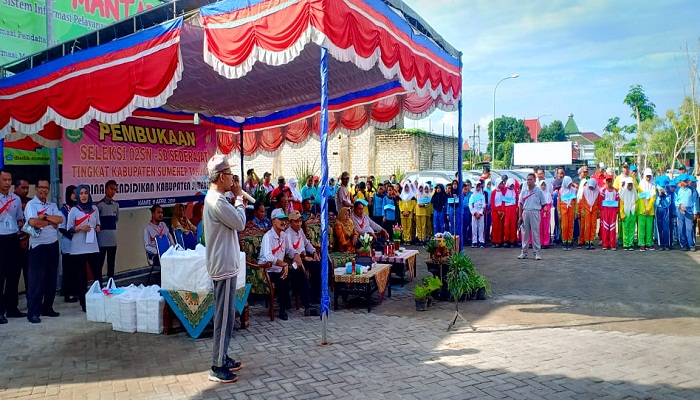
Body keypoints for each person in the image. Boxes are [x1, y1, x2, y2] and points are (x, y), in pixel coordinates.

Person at [203, 154, 246, 383]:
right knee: (222, 316)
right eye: (230, 174)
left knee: (229, 315)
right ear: (221, 177)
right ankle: (217, 365)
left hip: (226, 264)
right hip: (223, 265)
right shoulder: (217, 201)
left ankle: (223, 355)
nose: (233, 179)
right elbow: (240, 223)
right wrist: (239, 200)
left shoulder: (217, 198)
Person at [259, 209, 317, 320]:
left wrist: (296, 255)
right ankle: (283, 310)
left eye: (284, 219)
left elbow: (289, 249)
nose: (283, 222)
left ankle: (308, 306)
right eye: (280, 219)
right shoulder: (268, 236)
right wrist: (284, 264)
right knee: (283, 278)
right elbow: (268, 256)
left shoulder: (283, 236)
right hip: (267, 270)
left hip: (280, 268)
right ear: (273, 221)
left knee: (299, 274)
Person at [24, 179, 63, 323]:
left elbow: (60, 219)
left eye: (46, 188)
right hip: (38, 247)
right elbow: (33, 222)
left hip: (52, 244)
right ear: (36, 189)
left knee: (50, 279)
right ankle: (33, 312)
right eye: (41, 187)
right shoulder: (31, 204)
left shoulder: (52, 205)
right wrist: (50, 222)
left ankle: (48, 308)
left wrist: (45, 218)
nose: (43, 190)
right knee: (36, 281)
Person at [67, 185, 101, 311]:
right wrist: (80, 228)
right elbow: (68, 229)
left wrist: (97, 227)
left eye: (86, 193)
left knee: (97, 275)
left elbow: (98, 223)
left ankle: (99, 299)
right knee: (82, 278)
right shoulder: (74, 210)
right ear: (77, 196)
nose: (84, 196)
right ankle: (84, 303)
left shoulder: (94, 208)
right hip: (79, 248)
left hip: (93, 246)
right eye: (81, 193)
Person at [0, 169, 26, 323]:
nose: (8, 183)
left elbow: (19, 219)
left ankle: (12, 308)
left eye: (9, 180)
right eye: (4, 180)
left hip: (13, 239)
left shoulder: (15, 199)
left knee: (13, 275)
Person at [285, 210, 324, 304]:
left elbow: (307, 244)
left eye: (300, 221)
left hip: (304, 257)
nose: (299, 224)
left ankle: (316, 295)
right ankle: (308, 299)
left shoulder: (300, 230)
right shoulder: (287, 234)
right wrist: (303, 257)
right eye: (296, 221)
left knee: (318, 265)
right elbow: (289, 251)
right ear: (290, 222)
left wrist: (314, 251)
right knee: (314, 266)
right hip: (294, 261)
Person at [517, 173, 547, 260]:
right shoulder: (524, 190)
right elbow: (520, 204)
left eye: (531, 179)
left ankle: (537, 253)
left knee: (535, 233)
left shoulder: (538, 191)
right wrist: (520, 216)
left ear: (534, 180)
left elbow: (543, 203)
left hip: (535, 212)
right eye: (528, 179)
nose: (529, 181)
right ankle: (524, 252)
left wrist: (538, 211)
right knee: (525, 233)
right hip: (525, 212)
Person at [58, 186, 79, 303]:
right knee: (68, 270)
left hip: (79, 244)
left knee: (77, 269)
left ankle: (76, 291)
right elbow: (61, 228)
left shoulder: (79, 208)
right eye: (73, 193)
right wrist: (72, 234)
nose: (75, 196)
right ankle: (68, 293)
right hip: (68, 243)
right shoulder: (64, 209)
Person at [95, 179, 119, 282]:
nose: (113, 191)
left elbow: (116, 219)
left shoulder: (116, 205)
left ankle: (110, 284)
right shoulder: (99, 205)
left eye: (115, 189)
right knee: (99, 264)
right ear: (105, 189)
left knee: (111, 264)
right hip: (101, 240)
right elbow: (96, 221)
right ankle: (99, 284)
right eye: (111, 189)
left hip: (112, 239)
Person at [675, 174, 697, 251]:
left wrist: (695, 212)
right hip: (680, 210)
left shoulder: (691, 190)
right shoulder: (677, 190)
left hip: (689, 210)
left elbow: (694, 202)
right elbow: (675, 201)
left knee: (689, 228)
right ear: (680, 182)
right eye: (684, 181)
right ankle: (683, 244)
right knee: (681, 228)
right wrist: (680, 205)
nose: (686, 182)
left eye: (687, 180)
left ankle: (691, 244)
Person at [637, 168, 656, 251]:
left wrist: (648, 209)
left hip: (650, 211)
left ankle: (649, 243)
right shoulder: (640, 185)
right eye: (647, 176)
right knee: (641, 228)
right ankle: (641, 244)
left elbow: (653, 198)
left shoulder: (653, 185)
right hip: (641, 211)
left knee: (649, 228)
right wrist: (644, 209)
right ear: (644, 176)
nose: (648, 178)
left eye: (649, 176)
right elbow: (640, 198)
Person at [599, 175, 620, 250]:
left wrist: (617, 210)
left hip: (613, 211)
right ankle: (605, 244)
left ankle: (612, 244)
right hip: (605, 211)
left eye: (610, 181)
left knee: (612, 228)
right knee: (605, 227)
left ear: (612, 181)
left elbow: (618, 200)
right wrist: (601, 211)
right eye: (607, 181)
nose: (609, 183)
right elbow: (601, 201)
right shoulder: (603, 191)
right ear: (606, 182)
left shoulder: (616, 191)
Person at [579, 179, 600, 250]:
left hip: (594, 210)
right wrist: (582, 211)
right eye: (590, 187)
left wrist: (598, 211)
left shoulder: (597, 191)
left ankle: (591, 241)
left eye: (592, 187)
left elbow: (599, 202)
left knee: (593, 225)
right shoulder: (585, 191)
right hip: (587, 210)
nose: (591, 188)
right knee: (587, 226)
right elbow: (582, 202)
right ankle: (587, 241)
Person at [558, 176, 577, 250]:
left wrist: (576, 212)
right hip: (563, 210)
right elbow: (558, 202)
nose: (570, 185)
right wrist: (559, 212)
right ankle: (564, 241)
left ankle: (569, 241)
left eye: (570, 183)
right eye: (568, 183)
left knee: (570, 226)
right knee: (564, 226)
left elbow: (575, 202)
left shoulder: (573, 190)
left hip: (571, 210)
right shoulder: (561, 191)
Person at [619, 178, 638, 251]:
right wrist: (622, 214)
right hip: (625, 213)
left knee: (632, 229)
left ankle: (631, 244)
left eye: (631, 185)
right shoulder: (623, 193)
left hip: (632, 213)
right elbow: (621, 205)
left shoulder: (634, 192)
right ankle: (625, 244)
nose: (630, 187)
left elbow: (636, 201)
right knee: (625, 229)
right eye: (628, 185)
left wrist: (634, 208)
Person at [655, 177, 672, 250]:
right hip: (659, 210)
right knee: (659, 228)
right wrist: (659, 196)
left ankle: (666, 244)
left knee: (666, 228)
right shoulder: (656, 193)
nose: (661, 189)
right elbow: (656, 204)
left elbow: (668, 203)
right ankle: (661, 244)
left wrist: (666, 194)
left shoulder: (668, 193)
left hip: (665, 210)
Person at [469, 181, 486, 248]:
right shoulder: (472, 196)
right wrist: (475, 213)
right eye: (477, 186)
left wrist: (480, 213)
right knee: (474, 227)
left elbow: (484, 205)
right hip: (474, 214)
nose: (478, 188)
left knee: (481, 227)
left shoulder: (482, 196)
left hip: (481, 214)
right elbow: (470, 205)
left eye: (479, 186)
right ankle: (474, 241)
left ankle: (481, 241)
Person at [502, 178, 519, 247]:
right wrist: (503, 210)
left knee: (513, 224)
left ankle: (513, 240)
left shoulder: (514, 190)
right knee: (506, 225)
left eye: (513, 186)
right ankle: (506, 240)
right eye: (511, 186)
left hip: (513, 208)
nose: (512, 187)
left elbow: (517, 199)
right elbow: (502, 200)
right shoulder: (505, 190)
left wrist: (517, 208)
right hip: (506, 209)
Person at [489, 179, 505, 248]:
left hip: (501, 210)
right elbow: (492, 203)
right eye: (500, 184)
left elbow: (503, 201)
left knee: (500, 226)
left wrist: (502, 210)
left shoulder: (502, 192)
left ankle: (500, 241)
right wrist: (497, 210)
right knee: (495, 226)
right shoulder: (494, 192)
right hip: (495, 211)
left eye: (502, 184)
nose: (501, 185)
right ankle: (495, 241)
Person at [539, 180, 553, 248]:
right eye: (542, 185)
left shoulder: (548, 194)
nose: (543, 186)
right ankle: (540, 242)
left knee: (546, 228)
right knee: (540, 228)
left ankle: (546, 242)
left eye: (544, 185)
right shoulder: (538, 194)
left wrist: (545, 212)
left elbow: (549, 204)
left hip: (546, 213)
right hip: (539, 212)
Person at [461, 181, 473, 246]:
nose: (467, 188)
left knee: (467, 225)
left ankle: (466, 238)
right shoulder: (460, 195)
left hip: (468, 210)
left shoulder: (471, 194)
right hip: (461, 211)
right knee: (462, 226)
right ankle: (462, 239)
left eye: (468, 186)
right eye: (465, 188)